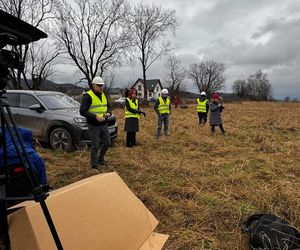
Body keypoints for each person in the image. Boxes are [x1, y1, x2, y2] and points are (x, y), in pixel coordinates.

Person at [80, 76, 112, 169]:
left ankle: (100, 159)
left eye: (102, 85)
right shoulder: (88, 96)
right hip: (93, 125)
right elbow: (82, 111)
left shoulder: (103, 94)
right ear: (93, 85)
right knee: (95, 146)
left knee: (107, 143)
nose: (101, 87)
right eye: (99, 85)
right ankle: (94, 165)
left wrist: (109, 113)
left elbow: (109, 106)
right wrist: (95, 117)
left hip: (103, 123)